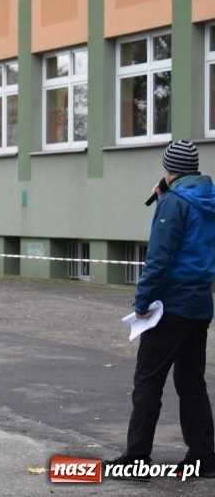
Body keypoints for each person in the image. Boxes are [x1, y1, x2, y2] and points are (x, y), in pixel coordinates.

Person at [111, 140, 215, 480]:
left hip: (169, 305)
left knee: (148, 382)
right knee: (191, 381)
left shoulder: (174, 203)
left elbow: (159, 258)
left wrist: (142, 303)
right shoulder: (205, 199)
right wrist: (164, 199)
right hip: (199, 304)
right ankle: (204, 458)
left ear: (169, 169)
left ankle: (136, 460)